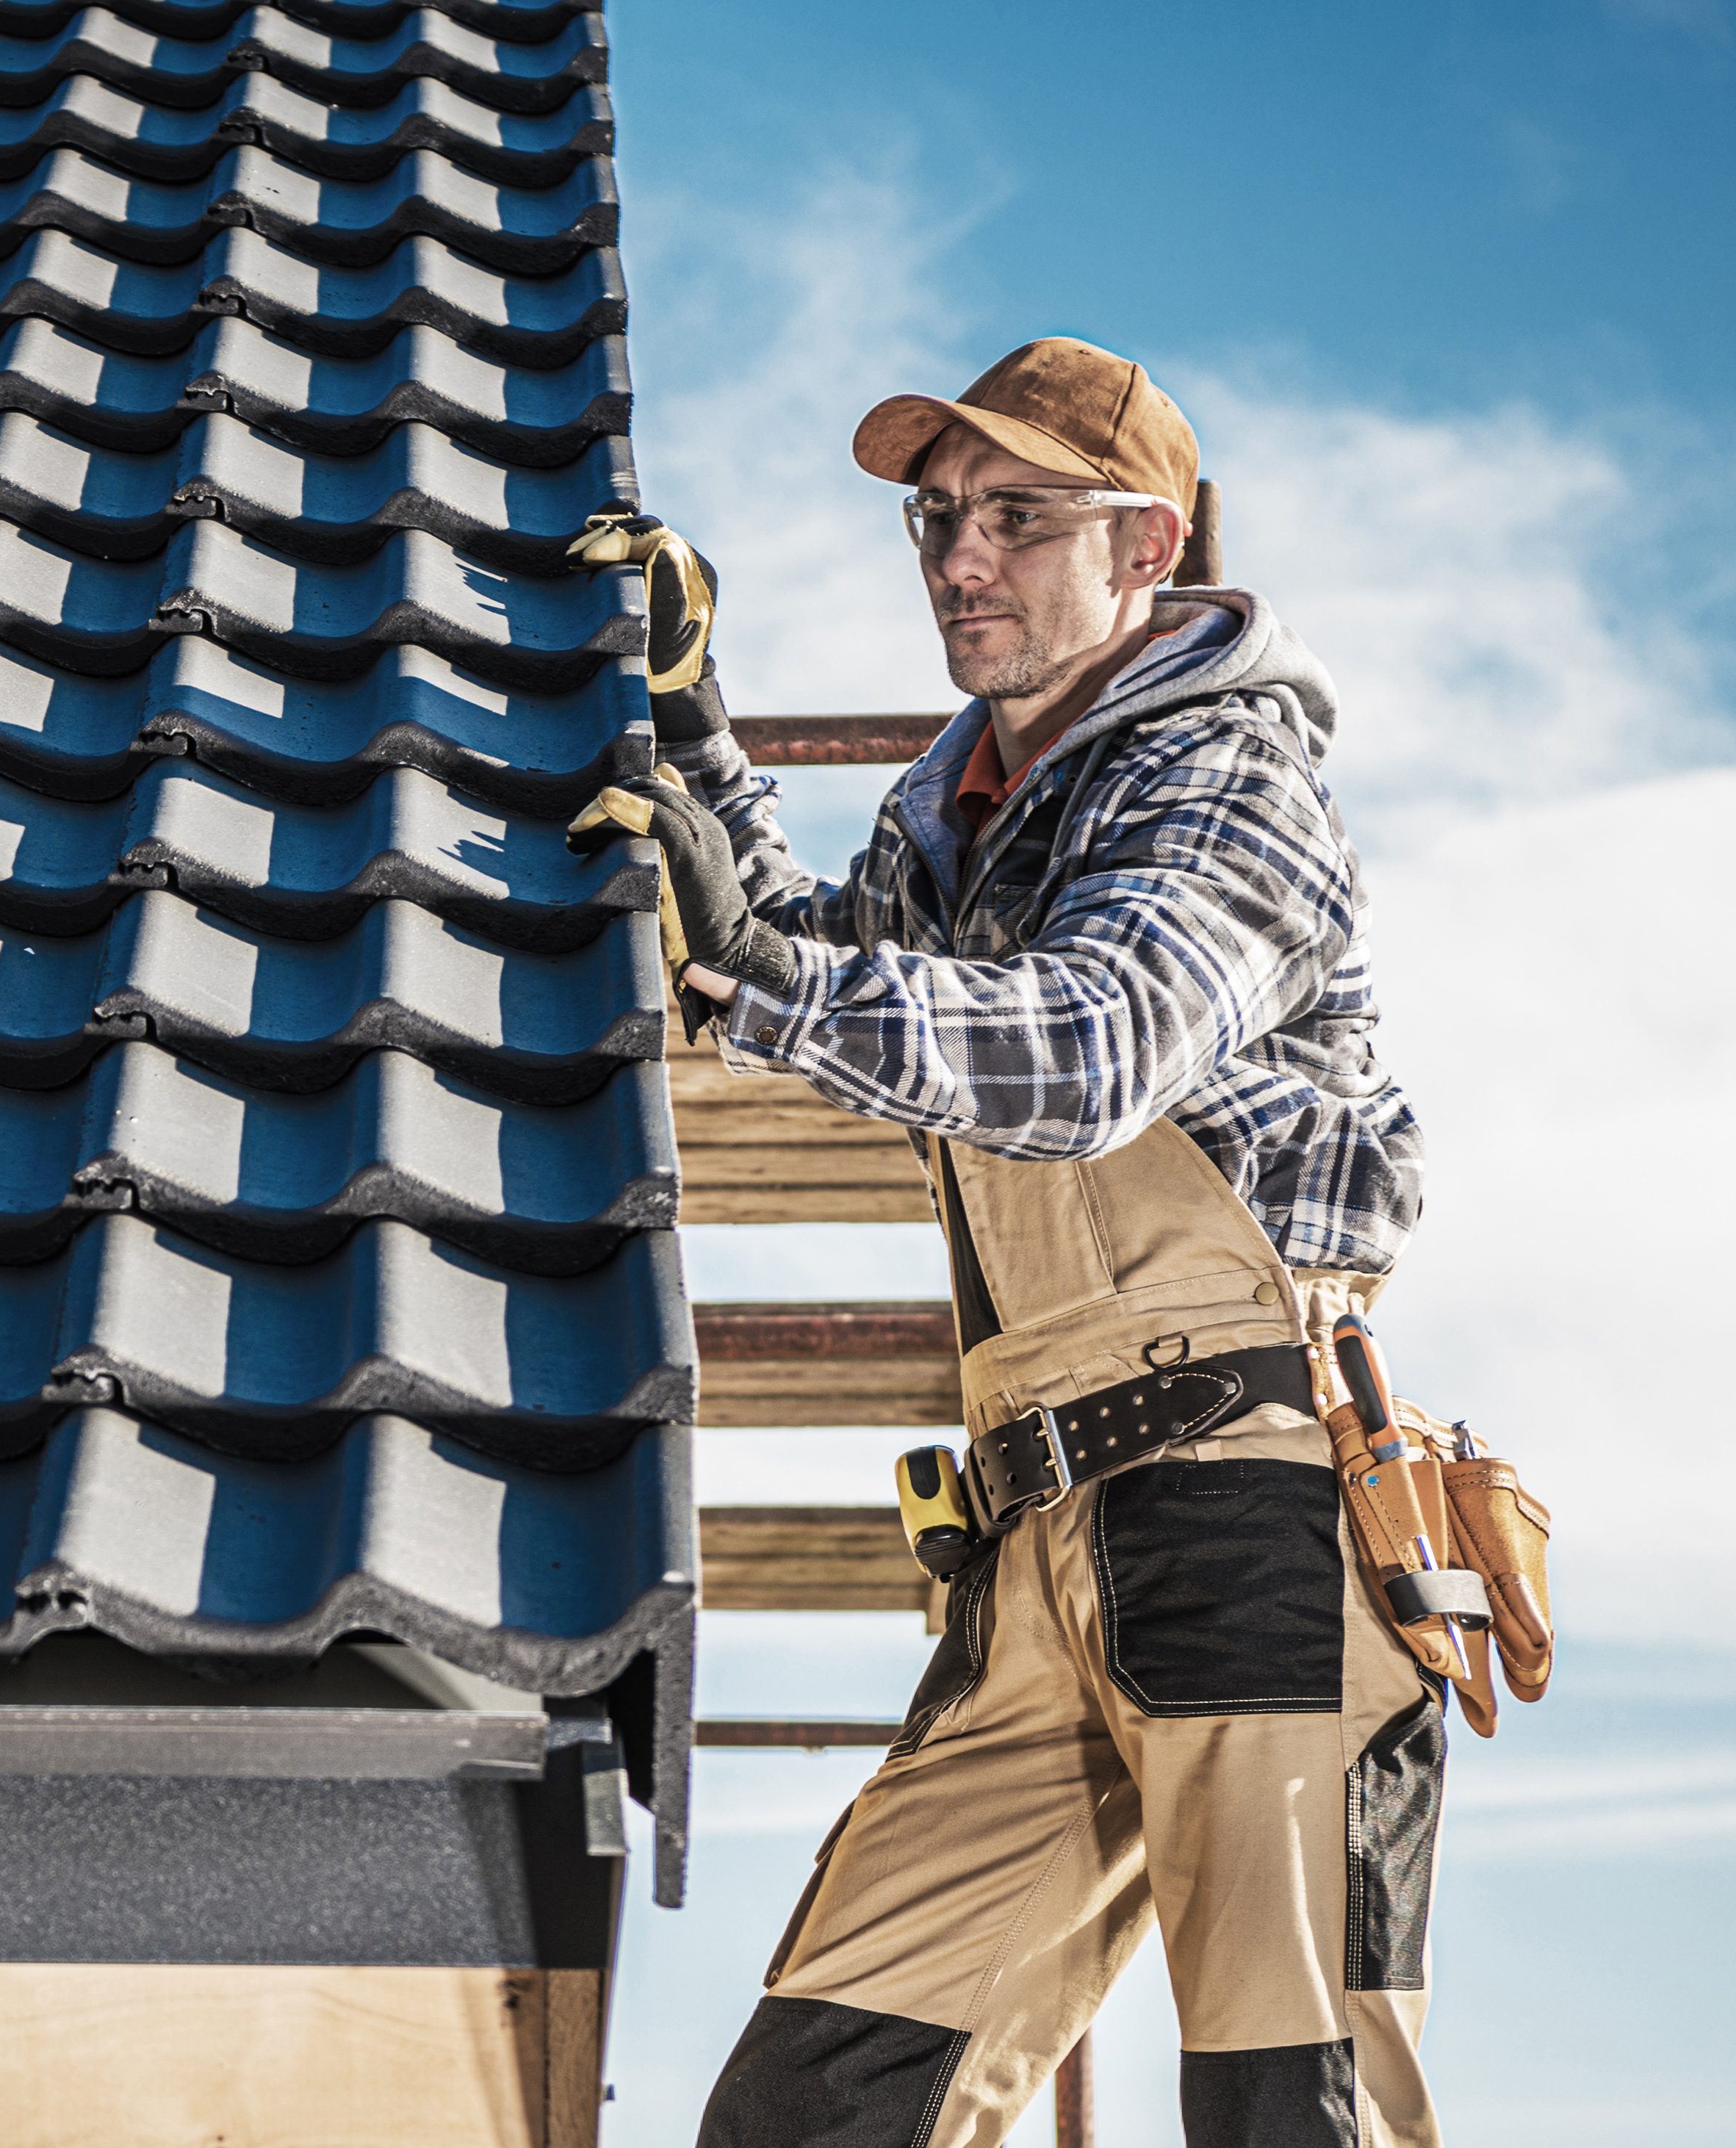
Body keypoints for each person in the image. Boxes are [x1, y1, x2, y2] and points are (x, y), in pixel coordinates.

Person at [608, 339, 1443, 2148]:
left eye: (1016, 518)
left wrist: (755, 976)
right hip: (1038, 1548)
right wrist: (680, 716)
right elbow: (792, 936)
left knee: (1281, 2115)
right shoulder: (967, 819)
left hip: (1256, 1518)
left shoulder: (1233, 783)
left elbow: (1087, 1048)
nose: (958, 560)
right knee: (816, 2111)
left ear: (1147, 552)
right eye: (935, 522)